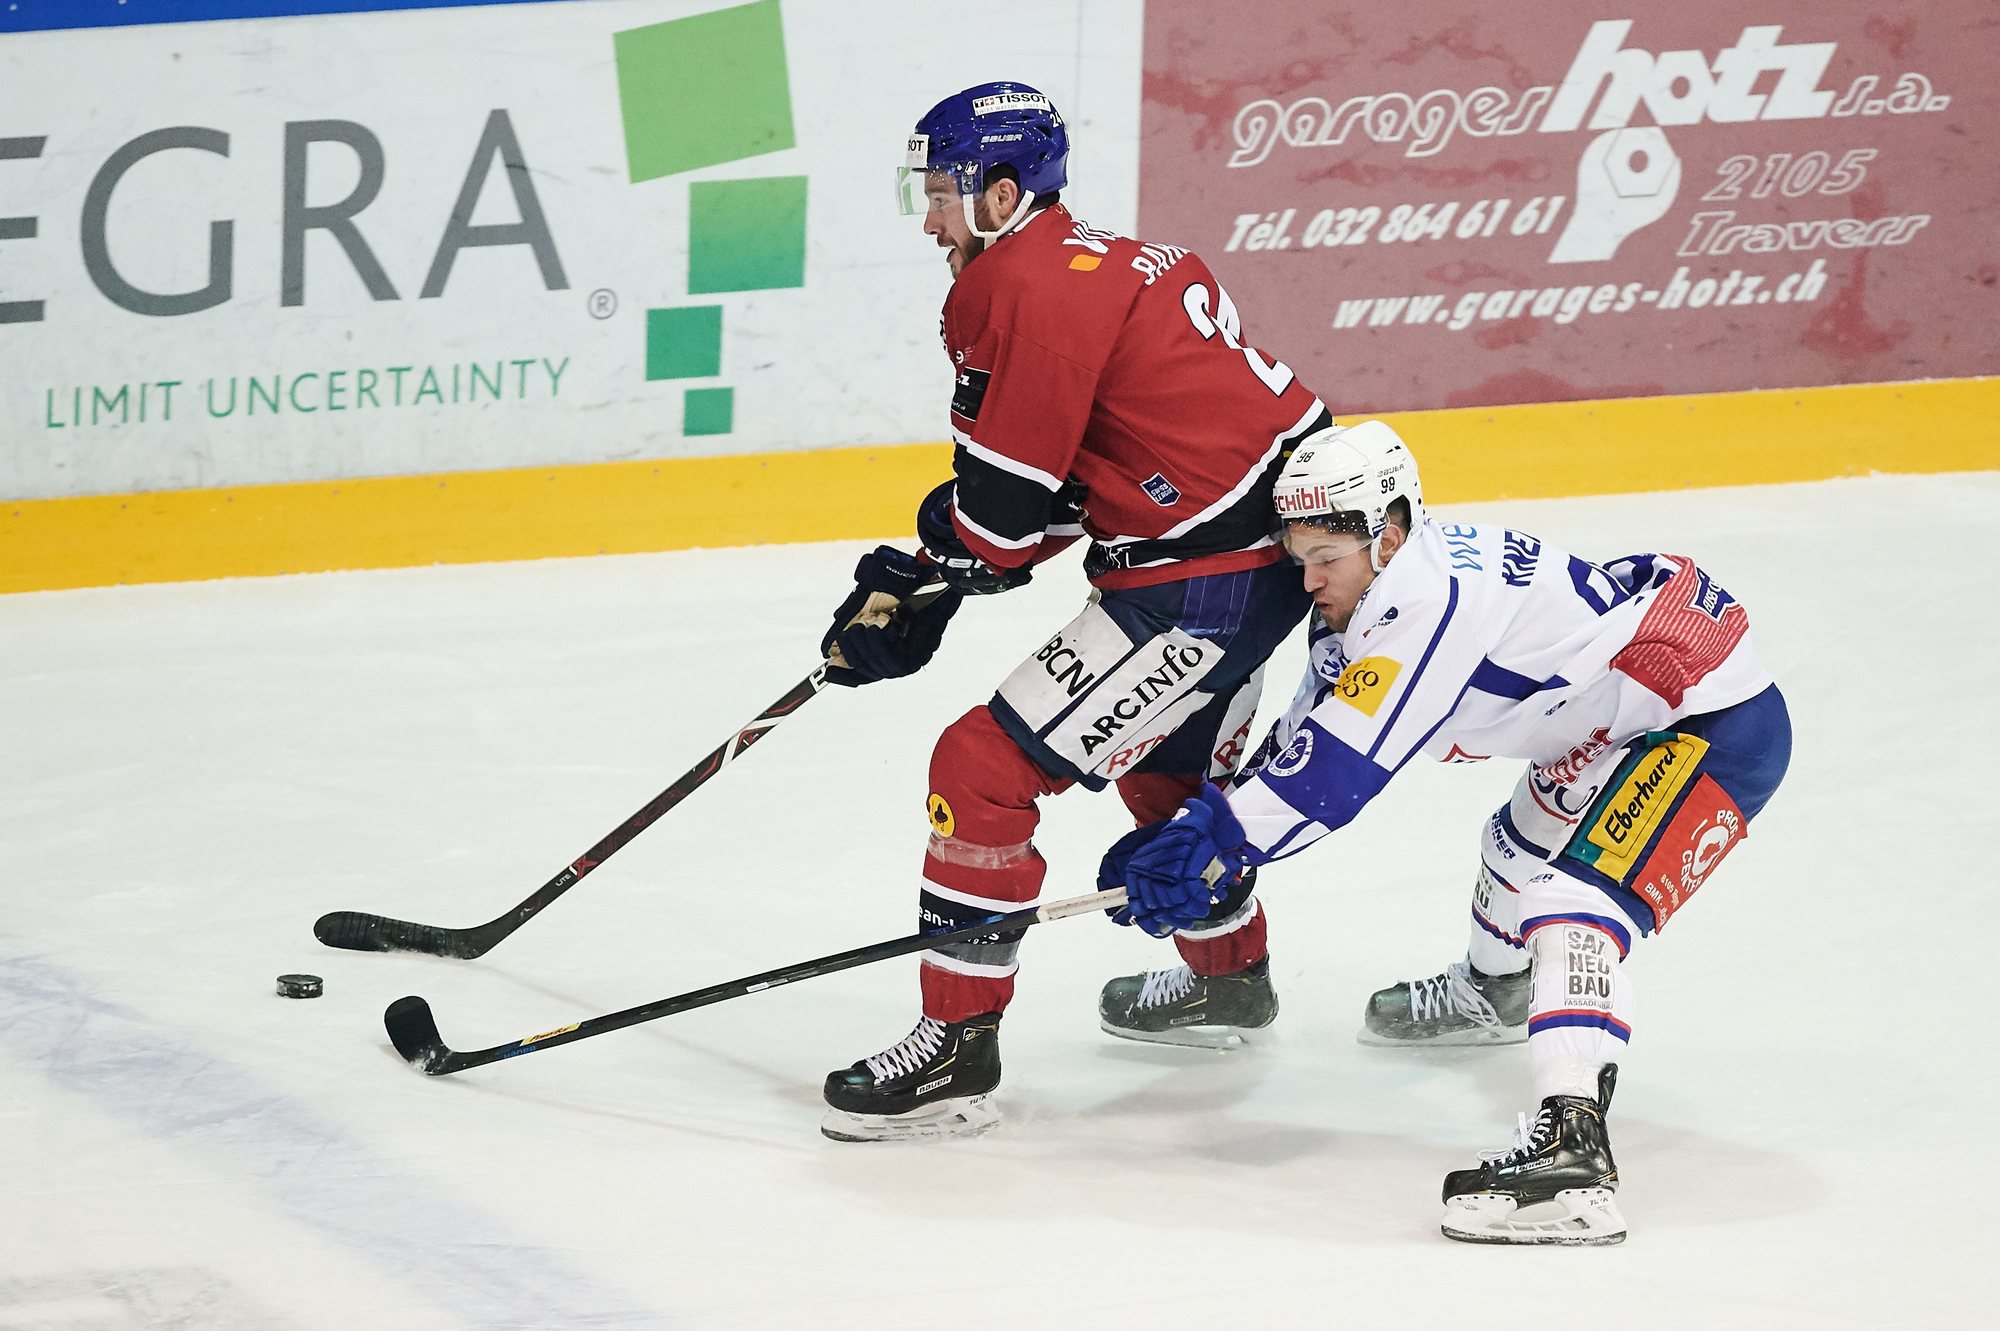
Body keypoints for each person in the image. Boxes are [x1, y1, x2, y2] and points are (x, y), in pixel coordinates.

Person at [1103, 419, 1790, 1244]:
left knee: (1568, 898)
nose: (1310, 578)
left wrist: (1214, 843)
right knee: (1514, 850)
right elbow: (1305, 740)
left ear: (1389, 532)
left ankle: (1572, 1153)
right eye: (1301, 556)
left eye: (1330, 557)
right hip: (1610, 729)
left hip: (1710, 725)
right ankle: (1495, 992)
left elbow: (1335, 775)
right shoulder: (1369, 594)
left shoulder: (1427, 600)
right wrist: (1201, 830)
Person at [814, 80, 1335, 1142]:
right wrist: (938, 566)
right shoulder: (1113, 259)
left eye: (945, 193)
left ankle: (956, 1044)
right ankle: (1229, 977)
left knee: (980, 767)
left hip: (1201, 584)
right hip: (1261, 560)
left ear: (1003, 194)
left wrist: (936, 566)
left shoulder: (1014, 288)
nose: (930, 219)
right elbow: (1061, 494)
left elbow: (1005, 526)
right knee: (1165, 770)